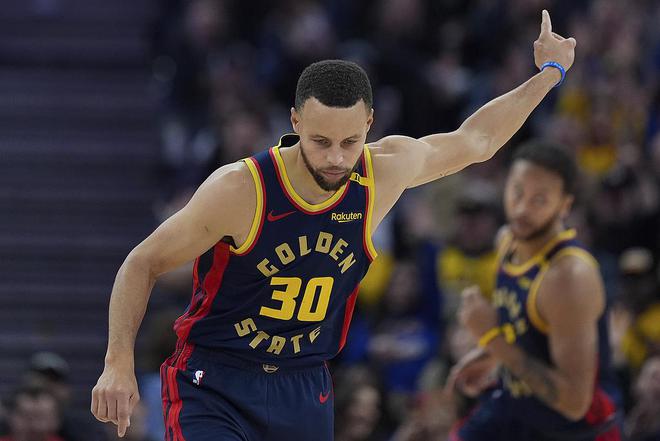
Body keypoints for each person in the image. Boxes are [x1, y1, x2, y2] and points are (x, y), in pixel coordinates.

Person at [92, 10, 575, 440]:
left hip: (304, 383)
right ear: (295, 122)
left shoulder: (383, 171)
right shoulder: (241, 189)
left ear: (369, 123)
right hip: (216, 379)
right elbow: (142, 262)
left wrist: (550, 73)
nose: (337, 158)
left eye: (349, 142)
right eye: (321, 141)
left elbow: (478, 140)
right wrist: (117, 362)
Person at [448, 141, 621, 440]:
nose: (522, 208)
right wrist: (489, 356)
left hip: (574, 430)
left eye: (539, 200)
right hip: (518, 407)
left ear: (565, 205)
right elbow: (529, 335)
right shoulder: (507, 240)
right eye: (517, 192)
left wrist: (492, 340)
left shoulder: (568, 277)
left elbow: (575, 403)